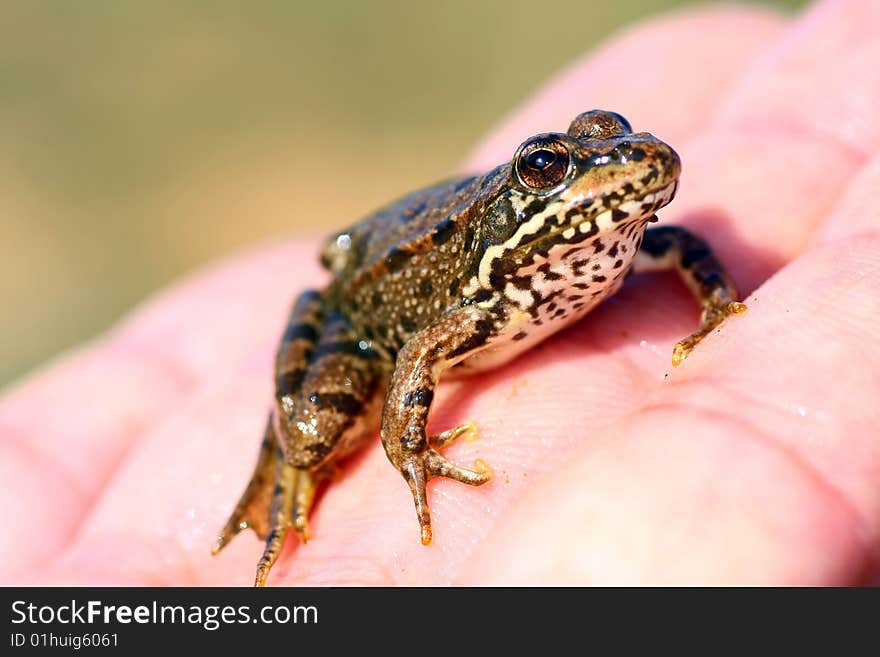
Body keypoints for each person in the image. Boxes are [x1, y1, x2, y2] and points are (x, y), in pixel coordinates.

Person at [1, 0, 877, 585]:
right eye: (549, 171)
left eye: (600, 146)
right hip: (370, 307)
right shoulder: (478, 303)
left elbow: (679, 243)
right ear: (521, 190)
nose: (608, 165)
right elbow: (419, 350)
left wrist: (720, 303)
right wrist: (410, 450)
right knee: (312, 432)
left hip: (411, 237)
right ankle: (278, 460)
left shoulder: (626, 240)